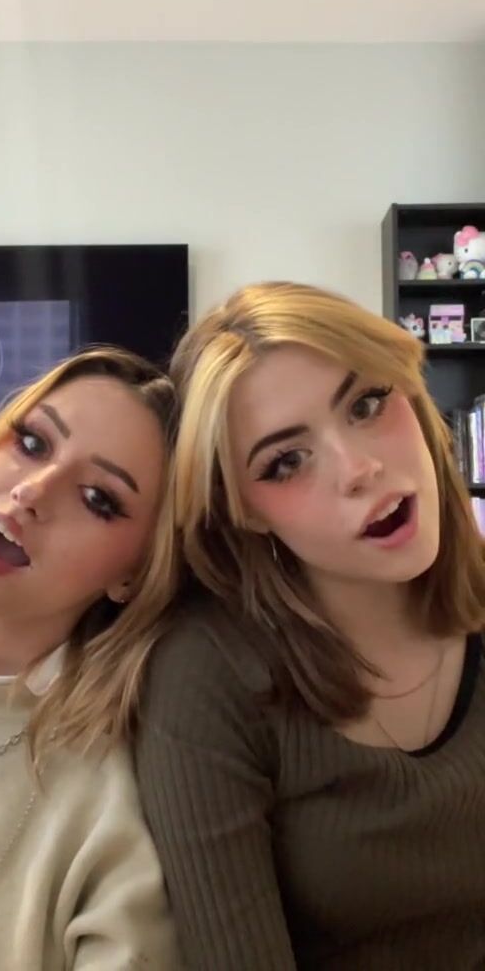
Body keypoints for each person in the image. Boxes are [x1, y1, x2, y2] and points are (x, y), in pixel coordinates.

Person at [135, 282, 485, 970]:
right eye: (286, 462)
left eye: (368, 404)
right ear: (243, 510)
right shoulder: (207, 676)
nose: (360, 469)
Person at [0, 346, 180, 969]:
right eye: (31, 443)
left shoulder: (119, 788)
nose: (32, 491)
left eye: (98, 498)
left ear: (135, 573)